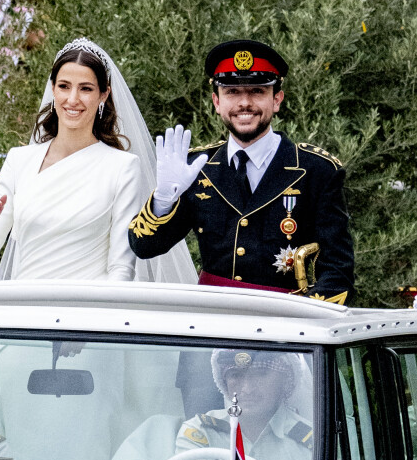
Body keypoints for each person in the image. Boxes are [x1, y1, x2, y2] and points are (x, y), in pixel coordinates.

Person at [129, 38, 354, 304]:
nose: (244, 103)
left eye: (257, 91)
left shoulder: (316, 171)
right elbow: (144, 247)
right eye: (232, 92)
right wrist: (163, 199)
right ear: (216, 101)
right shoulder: (196, 167)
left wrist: (300, 322)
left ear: (277, 99)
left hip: (287, 328)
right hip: (213, 321)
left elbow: (339, 273)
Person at [0, 37, 196, 283]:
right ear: (52, 89)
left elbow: (121, 268)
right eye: (64, 86)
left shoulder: (122, 167)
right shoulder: (18, 160)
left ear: (103, 95)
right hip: (24, 311)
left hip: (85, 313)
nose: (73, 99)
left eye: (85, 88)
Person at [175, 349, 313, 460]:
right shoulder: (201, 428)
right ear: (224, 382)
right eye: (236, 375)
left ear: (285, 379)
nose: (247, 388)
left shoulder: (315, 441)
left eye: (261, 374)